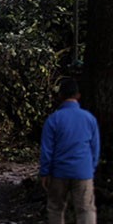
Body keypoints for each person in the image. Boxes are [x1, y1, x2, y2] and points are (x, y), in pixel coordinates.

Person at [40, 77, 99, 224]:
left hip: (59, 172)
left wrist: (45, 172)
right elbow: (95, 147)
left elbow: (47, 150)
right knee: (85, 209)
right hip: (83, 171)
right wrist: (90, 168)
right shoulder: (89, 118)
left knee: (55, 208)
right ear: (78, 95)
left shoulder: (53, 119)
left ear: (60, 96)